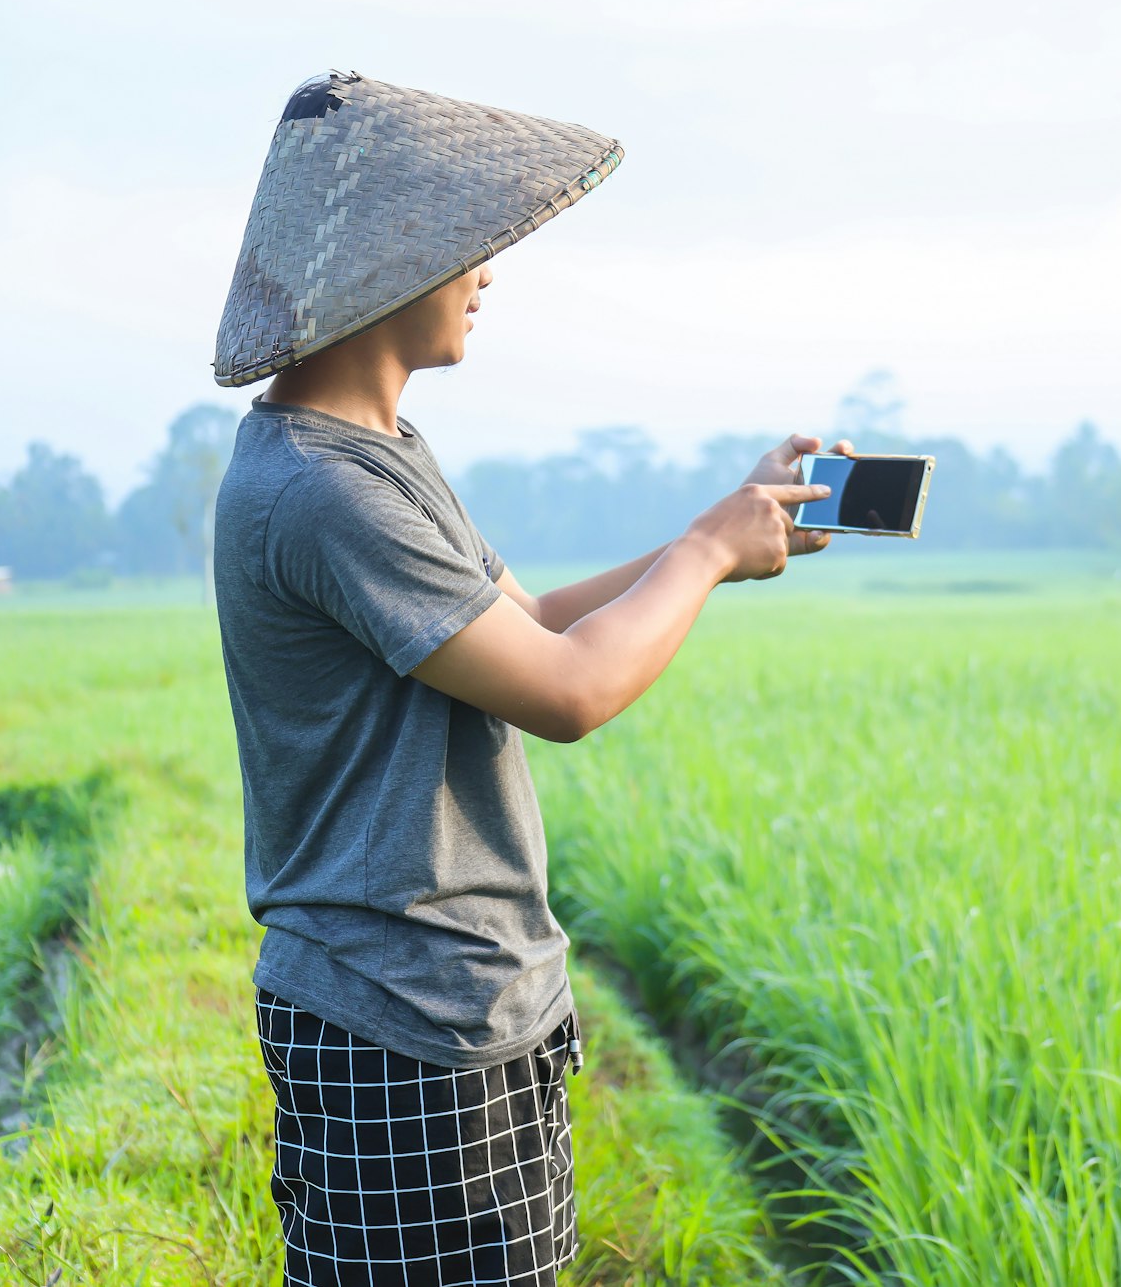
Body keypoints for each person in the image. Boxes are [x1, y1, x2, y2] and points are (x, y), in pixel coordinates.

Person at [209, 70, 850, 1287]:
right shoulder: (322, 490)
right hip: (393, 1015)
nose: (487, 272)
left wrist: (724, 528)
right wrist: (707, 552)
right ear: (386, 272)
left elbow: (533, 623)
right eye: (470, 248)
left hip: (465, 997)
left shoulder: (379, 454)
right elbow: (565, 692)